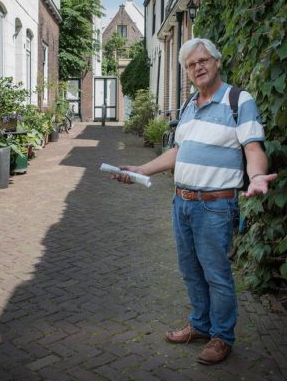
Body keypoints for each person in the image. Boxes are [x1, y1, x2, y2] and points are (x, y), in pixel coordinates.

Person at [113, 38, 277, 365]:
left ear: (216, 62)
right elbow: (180, 151)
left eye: (203, 60)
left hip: (215, 206)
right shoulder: (189, 104)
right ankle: (201, 326)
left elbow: (253, 148)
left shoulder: (238, 100)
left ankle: (222, 336)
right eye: (191, 64)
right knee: (190, 271)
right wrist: (142, 169)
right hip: (182, 203)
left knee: (216, 274)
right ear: (187, 72)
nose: (198, 67)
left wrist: (257, 176)